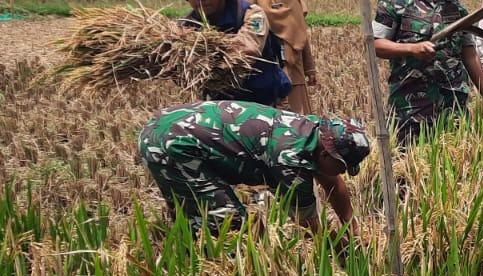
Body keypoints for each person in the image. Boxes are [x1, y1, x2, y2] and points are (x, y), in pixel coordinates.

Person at [137, 100, 368, 235]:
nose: (342, 173)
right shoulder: (289, 158)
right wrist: (338, 248)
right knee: (230, 223)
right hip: (173, 143)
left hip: (177, 126)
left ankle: (186, 235)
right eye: (342, 166)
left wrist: (353, 227)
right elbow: (307, 224)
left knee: (197, 208)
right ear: (327, 153)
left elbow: (333, 185)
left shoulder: (314, 132)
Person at [371, 0, 483, 142]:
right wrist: (411, 49)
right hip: (411, 110)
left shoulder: (456, 9)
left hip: (453, 109)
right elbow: (376, 45)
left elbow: (469, 53)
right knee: (409, 167)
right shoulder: (395, 0)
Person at [175, 0, 291, 106]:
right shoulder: (186, 27)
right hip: (221, 105)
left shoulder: (250, 14)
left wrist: (209, 63)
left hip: (265, 101)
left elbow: (246, 50)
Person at [238, 0, 318, 114]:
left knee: (299, 123)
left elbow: (300, 34)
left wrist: (310, 68)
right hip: (266, 72)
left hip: (295, 69)